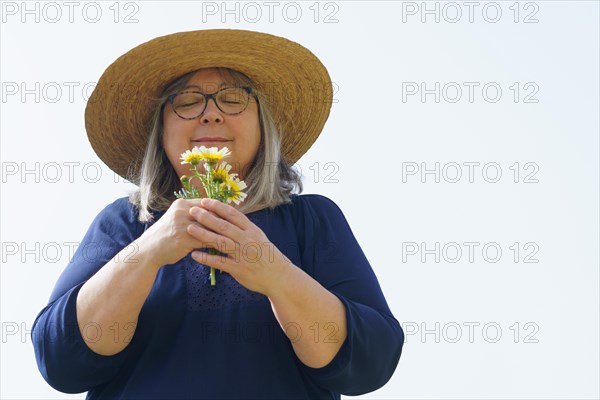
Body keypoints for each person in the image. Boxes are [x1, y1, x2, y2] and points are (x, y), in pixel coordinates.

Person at [31, 29, 404, 399]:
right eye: (187, 101)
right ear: (161, 131)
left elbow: (369, 362)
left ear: (263, 126)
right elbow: (60, 359)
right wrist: (147, 253)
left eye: (232, 99)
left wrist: (275, 273)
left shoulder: (312, 221)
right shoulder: (125, 224)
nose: (210, 114)